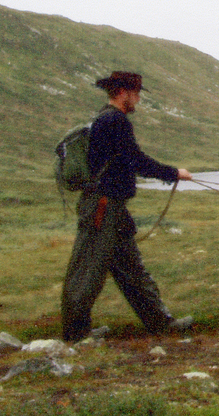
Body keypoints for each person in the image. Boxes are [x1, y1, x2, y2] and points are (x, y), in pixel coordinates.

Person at [60, 71, 194, 343]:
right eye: (136, 94)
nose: (138, 99)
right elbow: (135, 160)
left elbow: (128, 161)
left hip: (112, 207)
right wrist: (173, 173)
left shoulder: (107, 119)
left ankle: (160, 323)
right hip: (103, 207)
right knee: (89, 269)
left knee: (131, 268)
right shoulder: (114, 121)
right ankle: (75, 334)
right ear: (123, 93)